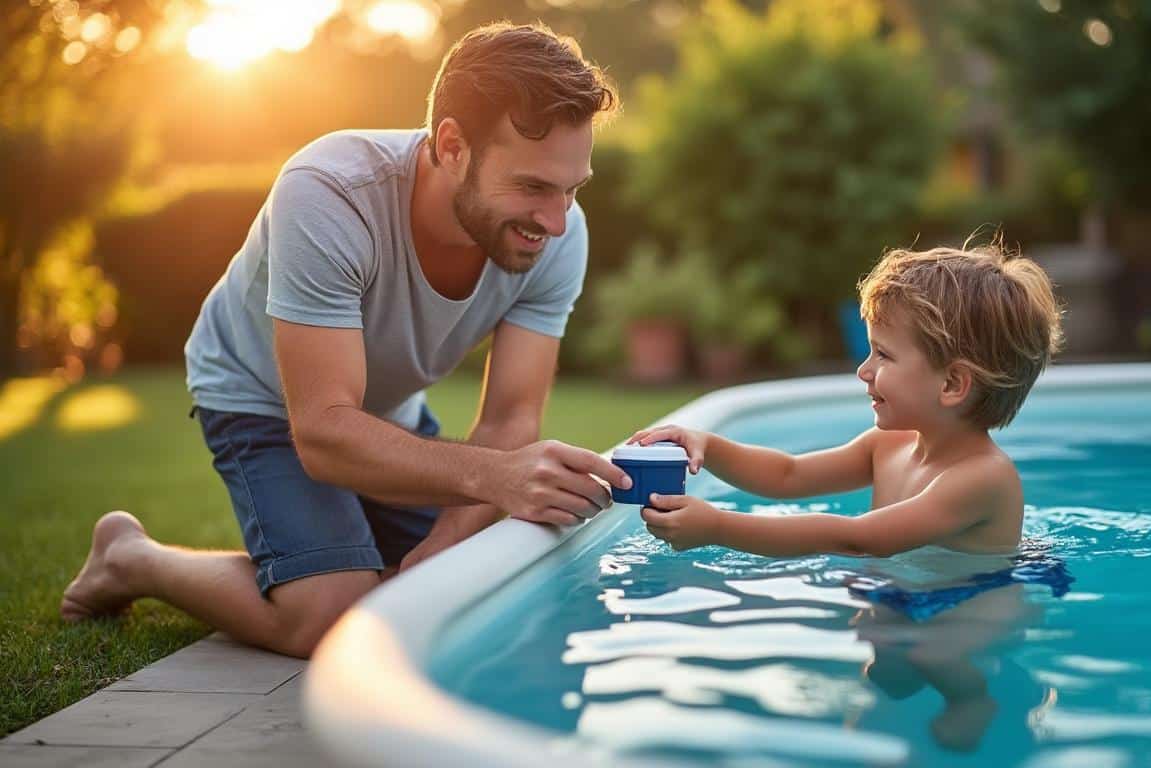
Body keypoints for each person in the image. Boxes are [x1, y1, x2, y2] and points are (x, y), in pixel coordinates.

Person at [61, 22, 632, 658]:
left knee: (478, 573)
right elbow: (325, 433)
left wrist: (439, 551)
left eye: (570, 189)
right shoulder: (330, 193)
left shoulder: (555, 233)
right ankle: (131, 557)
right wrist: (494, 478)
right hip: (265, 401)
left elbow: (511, 418)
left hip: (384, 415)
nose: (556, 221)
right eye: (532, 186)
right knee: (330, 617)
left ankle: (365, 560)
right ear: (451, 145)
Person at [630, 240, 1063, 558]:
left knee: (939, 663)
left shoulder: (983, 478)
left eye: (884, 355)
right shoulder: (889, 446)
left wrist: (719, 527)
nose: (864, 370)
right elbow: (788, 474)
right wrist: (708, 444)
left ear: (951, 385)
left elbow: (860, 538)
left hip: (972, 608)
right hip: (908, 594)